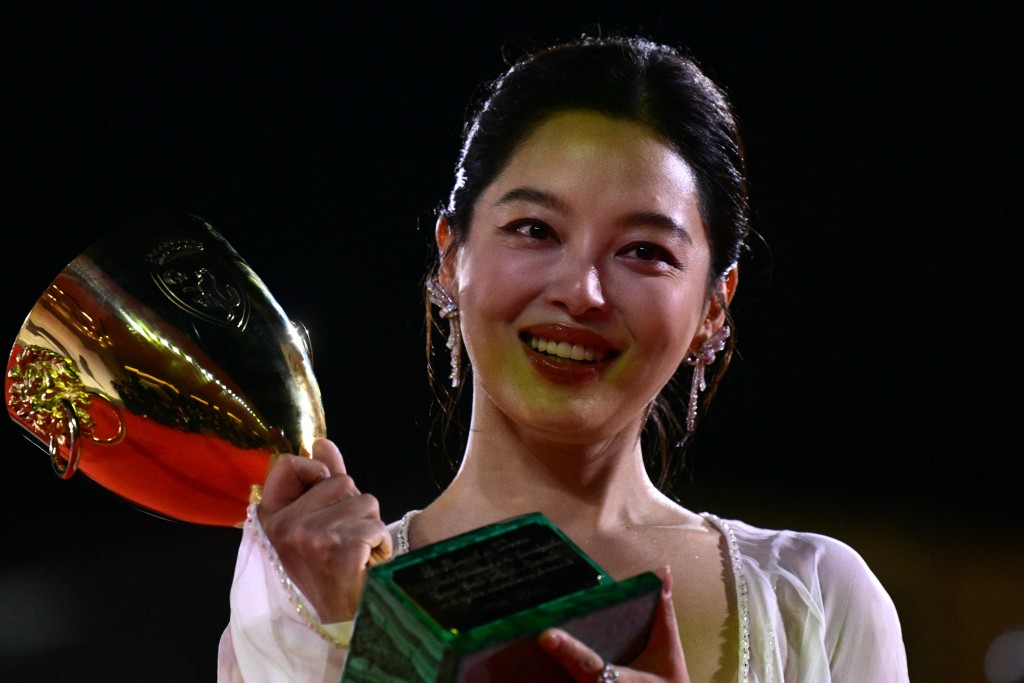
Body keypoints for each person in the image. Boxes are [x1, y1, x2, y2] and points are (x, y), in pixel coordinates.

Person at [217, 34, 910, 682]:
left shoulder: (817, 599)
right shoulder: (312, 602)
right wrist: (330, 637)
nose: (582, 293)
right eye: (534, 229)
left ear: (712, 307)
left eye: (645, 251)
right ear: (451, 256)